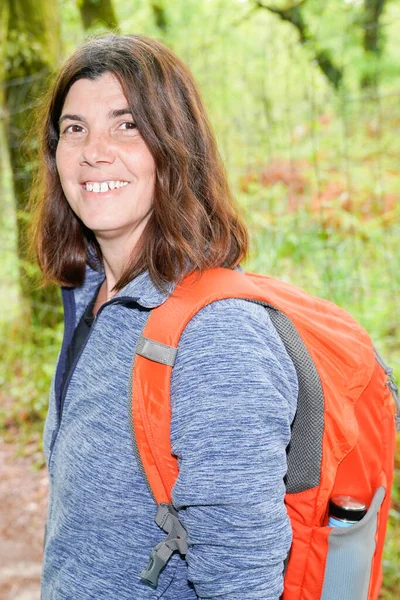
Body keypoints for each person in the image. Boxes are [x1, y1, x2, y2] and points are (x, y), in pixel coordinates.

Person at [31, 34, 298, 599]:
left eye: (127, 125)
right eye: (74, 128)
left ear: (176, 146)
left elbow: (241, 584)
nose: (93, 150)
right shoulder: (94, 295)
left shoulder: (218, 336)